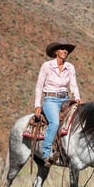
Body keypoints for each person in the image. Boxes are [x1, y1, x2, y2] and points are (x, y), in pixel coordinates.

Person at [34, 37, 83, 167]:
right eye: (62, 49)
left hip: (65, 99)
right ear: (56, 52)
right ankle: (46, 154)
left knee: (77, 120)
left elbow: (73, 85)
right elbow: (39, 86)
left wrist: (77, 97)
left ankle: (70, 152)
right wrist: (37, 105)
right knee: (55, 122)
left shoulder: (70, 67)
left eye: (66, 49)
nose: (65, 51)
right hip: (50, 99)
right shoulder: (47, 66)